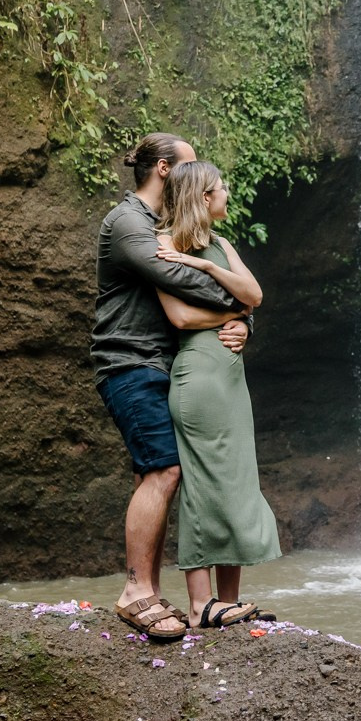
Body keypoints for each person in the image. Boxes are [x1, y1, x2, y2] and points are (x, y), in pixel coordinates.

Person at [92, 133, 250, 641]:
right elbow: (182, 282)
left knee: (165, 472)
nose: (198, 175)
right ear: (164, 169)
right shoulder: (129, 224)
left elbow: (208, 293)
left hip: (169, 365)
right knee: (163, 469)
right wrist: (243, 304)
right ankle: (136, 592)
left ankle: (163, 595)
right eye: (189, 165)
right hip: (130, 363)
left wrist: (244, 323)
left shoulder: (171, 228)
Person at [154, 161, 282, 627]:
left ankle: (230, 603)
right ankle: (200, 604)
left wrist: (208, 266)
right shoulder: (164, 244)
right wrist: (236, 316)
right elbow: (181, 318)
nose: (227, 192)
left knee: (236, 482)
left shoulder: (221, 245)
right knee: (205, 484)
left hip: (230, 381)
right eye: (221, 187)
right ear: (204, 197)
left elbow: (254, 295)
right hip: (200, 377)